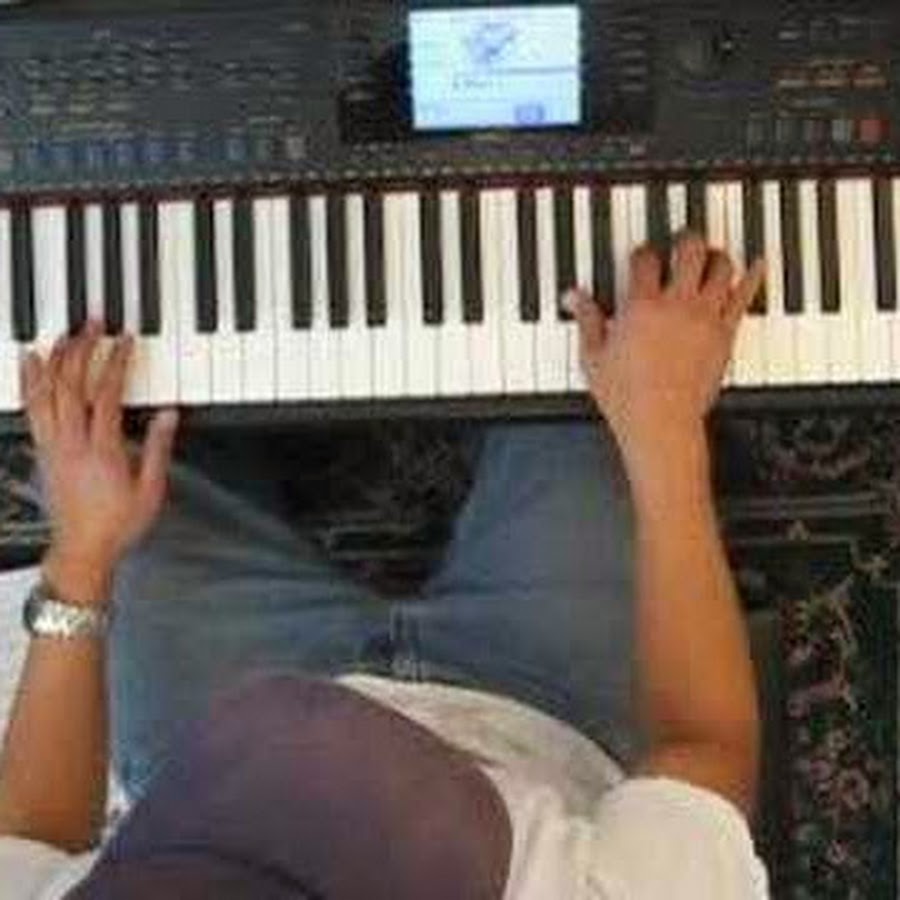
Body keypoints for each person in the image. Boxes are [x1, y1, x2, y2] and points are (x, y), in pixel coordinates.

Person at [0, 232, 769, 898]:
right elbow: (706, 746)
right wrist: (662, 429)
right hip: (544, 718)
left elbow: (29, 843)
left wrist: (81, 560)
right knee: (608, 350)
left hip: (208, 735)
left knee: (116, 415)